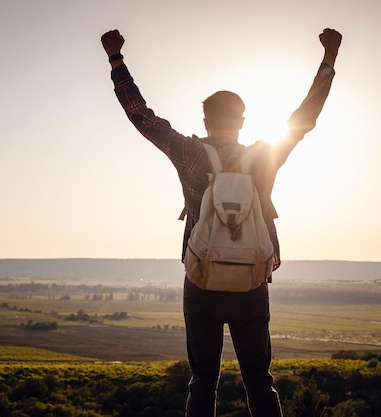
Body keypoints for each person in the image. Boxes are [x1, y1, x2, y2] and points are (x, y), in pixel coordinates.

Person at [101, 27, 341, 417]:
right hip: (251, 282)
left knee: (203, 383)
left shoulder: (189, 152)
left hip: (201, 281)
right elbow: (305, 116)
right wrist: (329, 59)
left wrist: (116, 60)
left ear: (205, 120)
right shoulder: (264, 155)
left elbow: (140, 116)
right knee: (260, 382)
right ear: (243, 121)